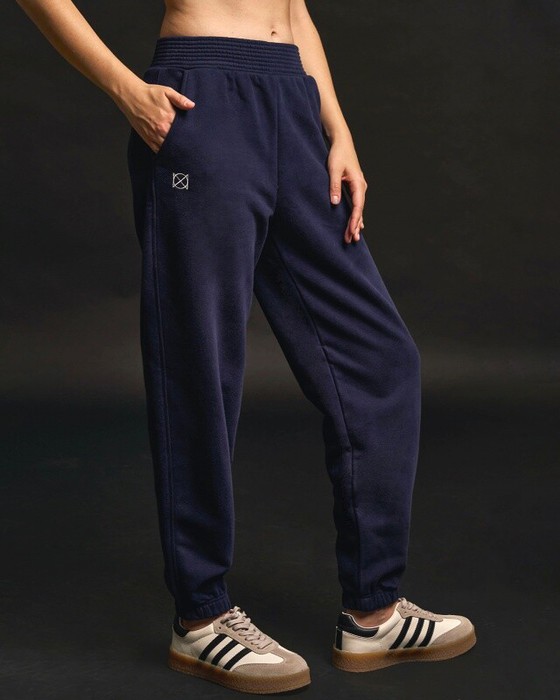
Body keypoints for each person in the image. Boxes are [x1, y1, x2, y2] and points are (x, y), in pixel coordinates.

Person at [16, 0, 477, 694]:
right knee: (201, 365)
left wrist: (337, 129)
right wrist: (126, 89)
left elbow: (294, 10)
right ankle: (201, 616)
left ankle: (373, 612)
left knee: (380, 360)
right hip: (203, 99)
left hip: (293, 101)